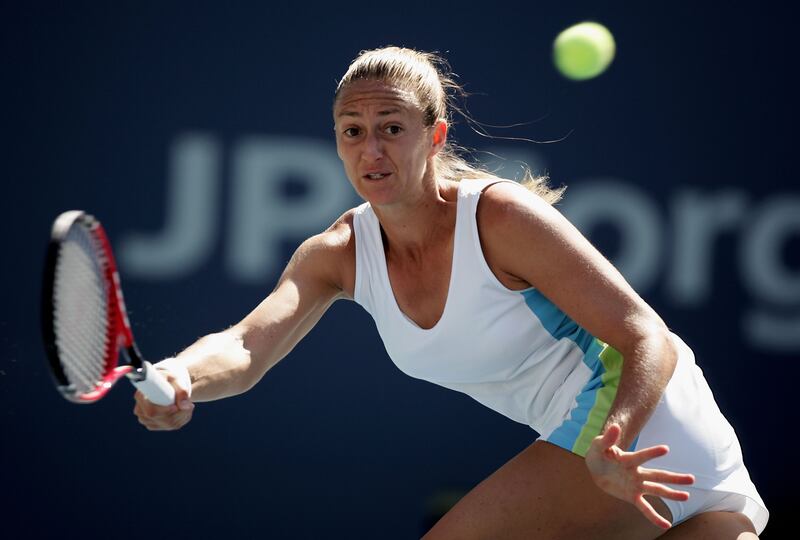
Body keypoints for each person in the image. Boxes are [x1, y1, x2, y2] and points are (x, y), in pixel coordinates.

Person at [134, 46, 769, 538]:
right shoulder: (336, 254)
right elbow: (246, 347)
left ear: (434, 136)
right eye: (352, 130)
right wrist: (183, 374)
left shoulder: (499, 217)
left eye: (392, 126)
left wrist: (617, 440)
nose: (371, 148)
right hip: (625, 453)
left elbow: (645, 334)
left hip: (640, 430)